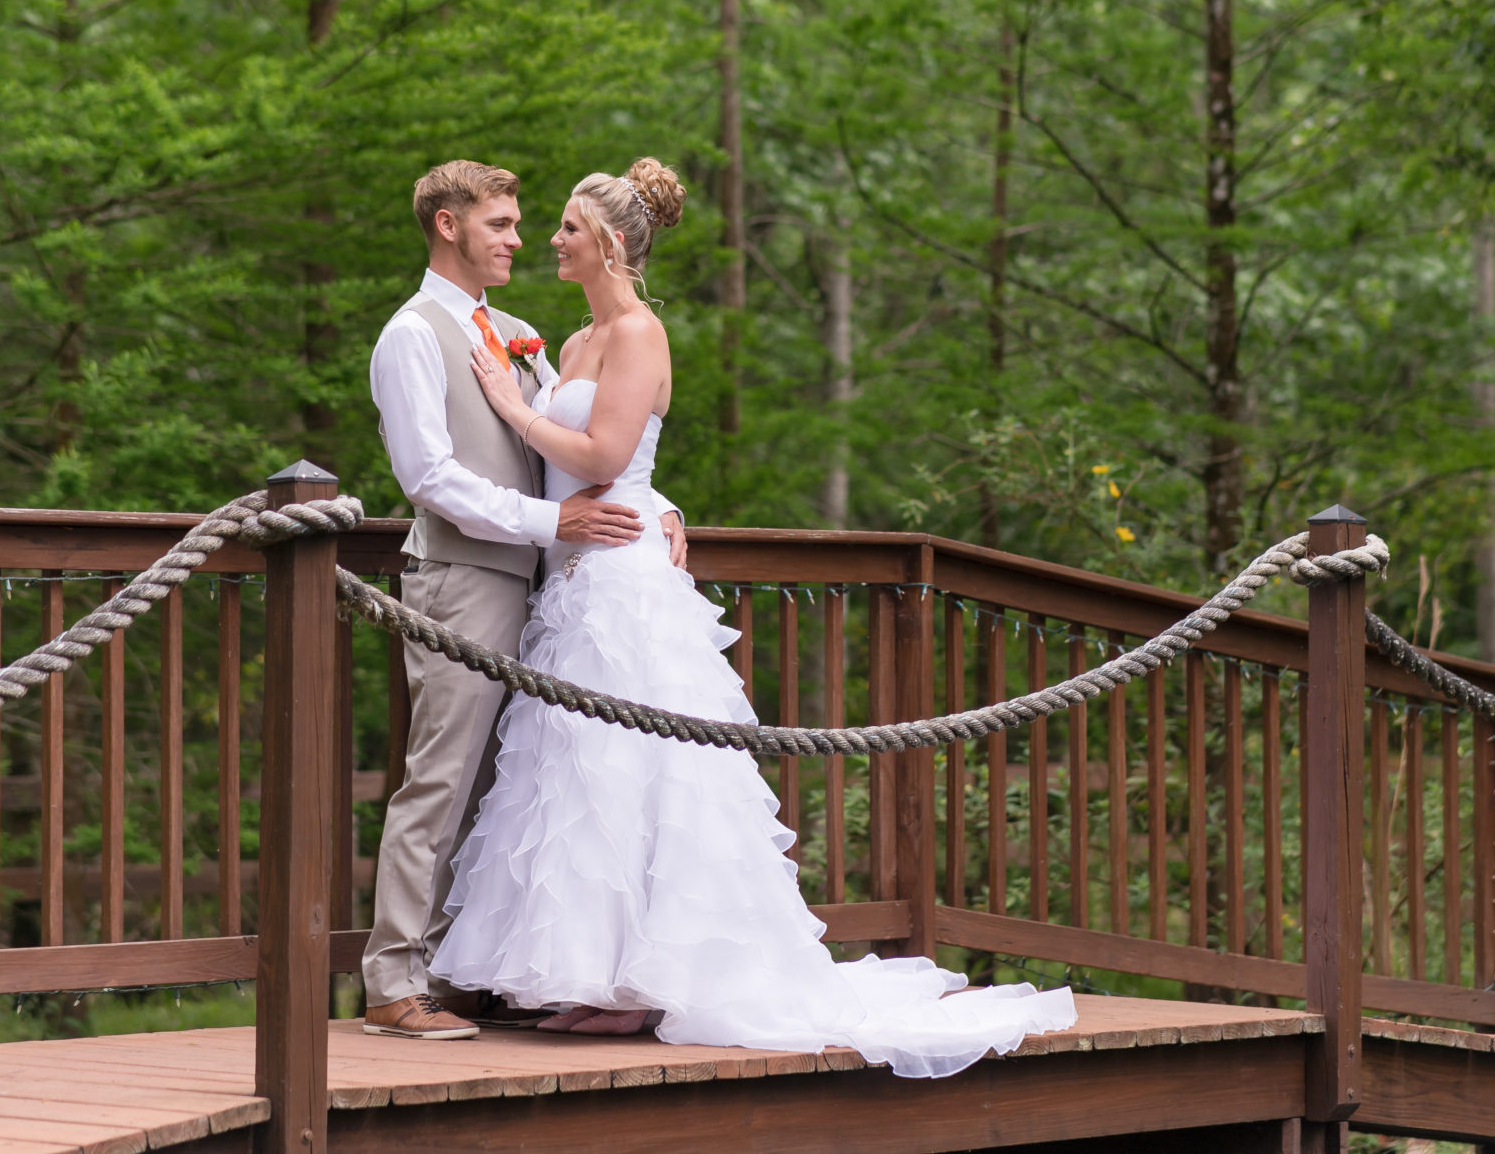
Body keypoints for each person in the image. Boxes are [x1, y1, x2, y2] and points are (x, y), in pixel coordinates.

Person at [429, 158, 1075, 1078]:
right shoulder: (569, 344)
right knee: (580, 780)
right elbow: (606, 463)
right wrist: (648, 489)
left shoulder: (642, 333)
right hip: (572, 585)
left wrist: (511, 407)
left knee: (644, 774)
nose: (550, 240)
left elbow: (609, 452)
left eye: (567, 227)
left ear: (606, 242)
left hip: (624, 588)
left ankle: (650, 984)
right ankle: (597, 978)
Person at [361, 160, 687, 1041]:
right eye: (500, 224)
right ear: (446, 226)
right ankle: (394, 981)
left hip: (551, 589)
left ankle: (458, 972)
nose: (519, 237)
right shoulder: (412, 334)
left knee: (511, 786)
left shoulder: (522, 333)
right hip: (463, 578)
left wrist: (656, 510)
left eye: (523, 223)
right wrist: (555, 523)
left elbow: (594, 444)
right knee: (441, 776)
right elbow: (429, 475)